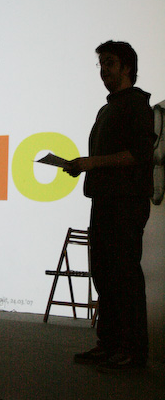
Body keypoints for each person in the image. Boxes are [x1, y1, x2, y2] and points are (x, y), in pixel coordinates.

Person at [64, 40, 155, 371]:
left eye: (110, 63)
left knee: (124, 275)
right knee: (104, 274)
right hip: (104, 200)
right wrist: (83, 166)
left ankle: (132, 351)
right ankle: (110, 344)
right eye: (101, 63)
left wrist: (92, 163)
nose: (103, 69)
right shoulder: (108, 108)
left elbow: (139, 154)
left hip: (126, 202)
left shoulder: (137, 105)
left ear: (127, 67)